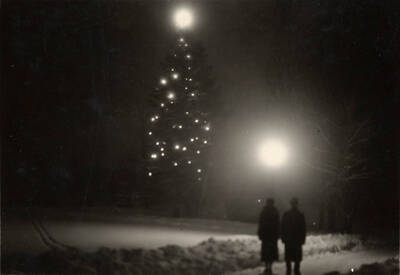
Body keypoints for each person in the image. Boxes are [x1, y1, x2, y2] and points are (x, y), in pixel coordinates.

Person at [281, 197, 306, 275]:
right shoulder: (299, 215)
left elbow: (303, 228)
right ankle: (294, 270)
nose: (294, 205)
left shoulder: (288, 214)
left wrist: (283, 237)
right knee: (294, 256)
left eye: (294, 203)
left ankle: (292, 270)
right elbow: (282, 227)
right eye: (293, 203)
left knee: (291, 256)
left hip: (292, 239)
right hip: (293, 239)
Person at [257, 198, 280, 275]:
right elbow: (277, 224)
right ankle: (268, 267)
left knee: (267, 253)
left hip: (268, 235)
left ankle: (268, 267)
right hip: (270, 236)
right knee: (269, 253)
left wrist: (260, 233)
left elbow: (261, 223)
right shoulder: (274, 211)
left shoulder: (265, 212)